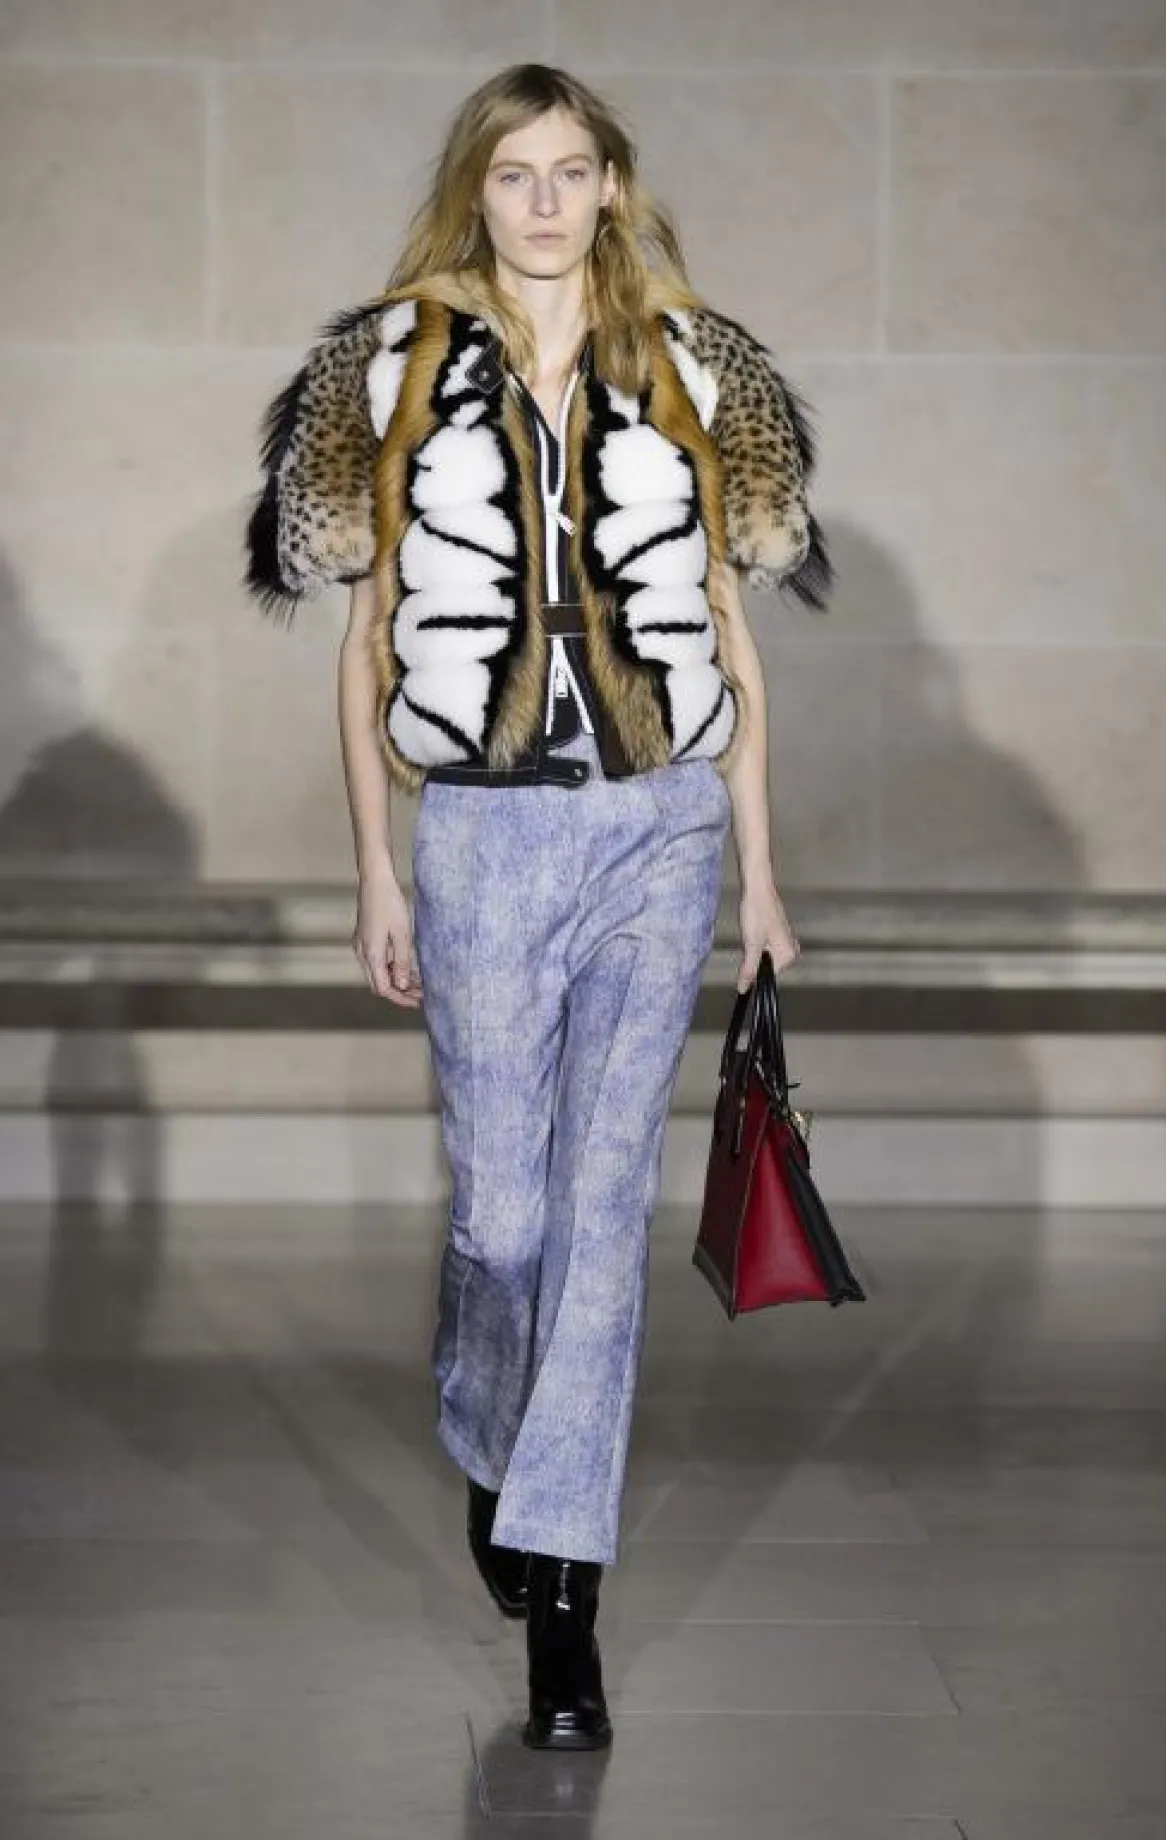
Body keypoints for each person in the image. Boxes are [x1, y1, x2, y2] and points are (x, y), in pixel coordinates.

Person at [245, 62, 830, 1751]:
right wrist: (376, 865)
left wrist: (759, 873)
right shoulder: (386, 366)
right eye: (517, 174)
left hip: (658, 830)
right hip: (484, 837)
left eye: (574, 171)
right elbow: (367, 645)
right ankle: (494, 1448)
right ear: (477, 189)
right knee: (501, 1221)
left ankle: (565, 1608)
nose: (548, 203)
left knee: (600, 1214)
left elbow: (730, 634)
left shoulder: (698, 364)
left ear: (614, 186)